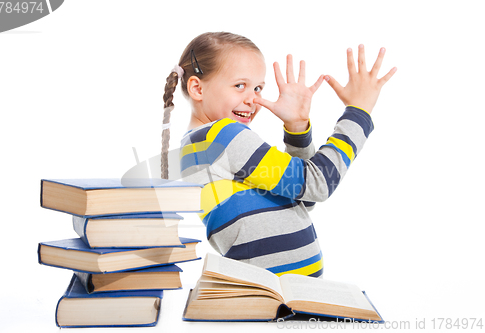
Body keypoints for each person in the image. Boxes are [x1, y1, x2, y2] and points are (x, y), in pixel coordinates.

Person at [160, 32, 396, 277]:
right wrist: (359, 111)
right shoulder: (222, 136)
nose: (253, 99)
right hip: (271, 293)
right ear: (197, 88)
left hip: (276, 292)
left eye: (258, 88)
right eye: (239, 85)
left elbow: (305, 197)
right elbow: (319, 183)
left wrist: (297, 127)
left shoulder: (200, 144)